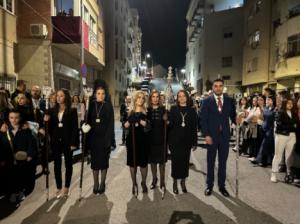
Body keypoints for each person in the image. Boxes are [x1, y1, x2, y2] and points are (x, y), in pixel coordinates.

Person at [200, 78, 236, 197]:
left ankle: (222, 186)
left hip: (224, 137)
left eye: (220, 86)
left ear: (223, 87)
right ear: (213, 88)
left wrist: (239, 118)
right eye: (216, 86)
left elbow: (234, 117)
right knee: (210, 162)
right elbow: (203, 120)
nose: (218, 88)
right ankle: (209, 185)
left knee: (223, 163)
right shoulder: (206, 101)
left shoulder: (229, 101)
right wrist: (206, 135)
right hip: (212, 137)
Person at [44, 89, 79, 198]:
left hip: (68, 141)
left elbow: (74, 128)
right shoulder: (51, 111)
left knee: (68, 164)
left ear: (66, 97)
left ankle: (66, 187)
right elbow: (48, 128)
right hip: (55, 141)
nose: (58, 98)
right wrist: (45, 121)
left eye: (61, 96)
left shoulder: (72, 111)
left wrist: (74, 142)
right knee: (57, 164)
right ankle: (59, 187)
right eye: (57, 96)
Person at [2, 109, 37, 203]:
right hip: (9, 158)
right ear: (8, 118)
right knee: (10, 175)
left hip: (22, 157)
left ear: (20, 118)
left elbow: (31, 143)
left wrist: (30, 154)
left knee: (21, 174)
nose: (14, 120)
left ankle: (21, 191)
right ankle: (12, 192)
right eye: (11, 118)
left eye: (16, 117)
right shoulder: (5, 130)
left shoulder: (25, 129)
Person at [85, 86, 115, 194]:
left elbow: (111, 124)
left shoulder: (108, 106)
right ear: (95, 94)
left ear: (105, 95)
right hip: (93, 138)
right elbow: (87, 120)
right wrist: (84, 125)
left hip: (104, 138)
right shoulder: (91, 105)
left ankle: (102, 183)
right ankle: (95, 183)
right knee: (95, 163)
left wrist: (110, 140)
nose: (100, 95)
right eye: (98, 93)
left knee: (103, 162)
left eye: (102, 93)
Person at [168, 90, 197, 194]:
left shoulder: (192, 110)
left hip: (186, 141)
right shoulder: (173, 109)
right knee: (175, 163)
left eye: (183, 96)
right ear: (177, 98)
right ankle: (175, 182)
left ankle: (183, 182)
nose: (181, 98)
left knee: (185, 163)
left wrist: (194, 142)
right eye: (179, 96)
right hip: (175, 141)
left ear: (187, 97)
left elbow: (194, 127)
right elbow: (170, 126)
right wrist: (167, 121)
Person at [124, 91, 150, 195]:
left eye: (142, 98)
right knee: (132, 164)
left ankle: (143, 182)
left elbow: (148, 127)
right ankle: (134, 183)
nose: (140, 99)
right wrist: (130, 120)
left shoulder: (147, 112)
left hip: (143, 140)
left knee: (143, 164)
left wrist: (139, 120)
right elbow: (125, 125)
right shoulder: (129, 112)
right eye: (138, 97)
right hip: (131, 141)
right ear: (135, 99)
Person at [271, 99, 297, 183]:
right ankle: (273, 174)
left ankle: (288, 174)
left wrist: (290, 124)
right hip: (281, 135)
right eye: (288, 103)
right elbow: (280, 125)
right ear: (284, 104)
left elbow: (295, 124)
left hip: (292, 136)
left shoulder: (294, 113)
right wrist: (292, 124)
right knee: (278, 155)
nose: (290, 104)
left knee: (289, 157)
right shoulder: (280, 112)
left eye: (291, 103)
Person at [147, 90, 167, 190]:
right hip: (151, 140)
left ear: (159, 98)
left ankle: (162, 181)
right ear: (150, 99)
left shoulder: (164, 109)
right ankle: (154, 179)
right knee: (153, 162)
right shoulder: (147, 110)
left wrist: (167, 120)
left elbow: (169, 125)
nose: (155, 98)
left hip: (161, 139)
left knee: (162, 163)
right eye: (153, 97)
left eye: (157, 97)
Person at [255, 96, 275, 166]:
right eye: (267, 100)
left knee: (264, 145)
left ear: (272, 101)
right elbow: (262, 117)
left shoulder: (274, 109)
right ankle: (267, 161)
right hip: (263, 127)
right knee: (267, 146)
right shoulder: (266, 108)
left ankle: (261, 160)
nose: (267, 101)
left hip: (270, 129)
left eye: (269, 100)